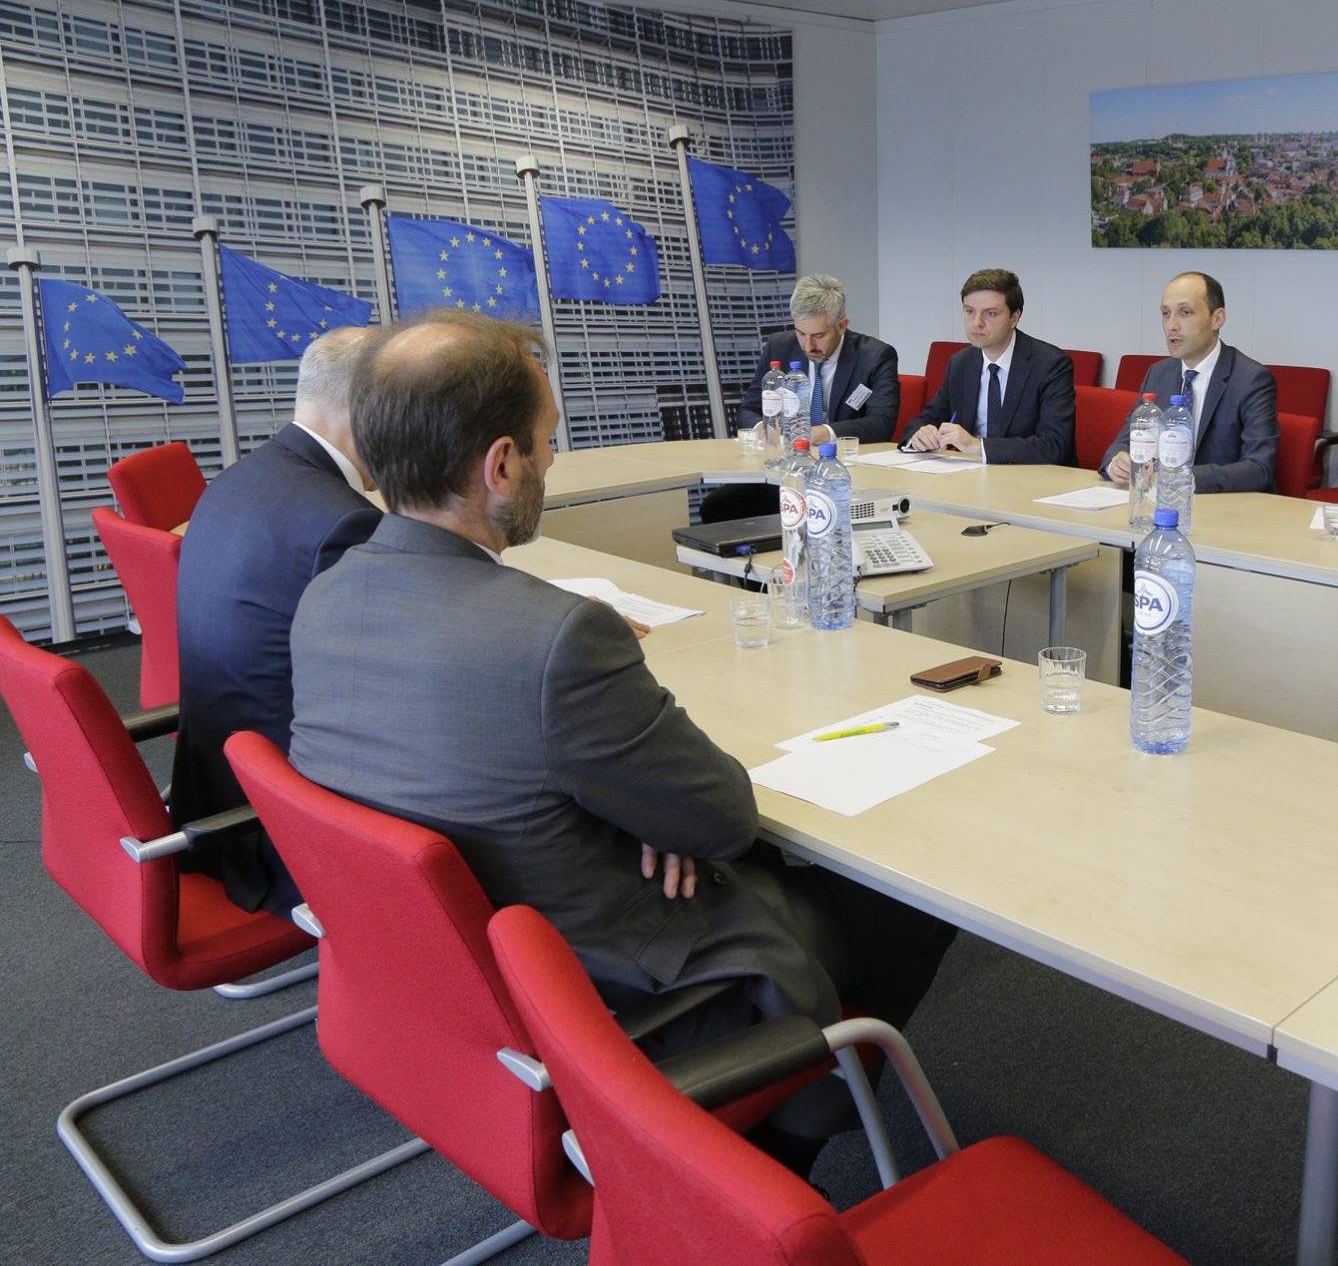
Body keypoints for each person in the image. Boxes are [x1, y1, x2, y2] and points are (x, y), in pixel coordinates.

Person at [288, 310, 954, 1163]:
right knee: (911, 893)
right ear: (501, 464)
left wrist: (633, 803)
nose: (553, 460)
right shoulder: (553, 638)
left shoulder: (326, 595)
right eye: (547, 441)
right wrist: (655, 812)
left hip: (456, 989)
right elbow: (722, 818)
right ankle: (777, 1149)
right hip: (617, 991)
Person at [168, 326, 382, 917]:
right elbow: (385, 697)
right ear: (369, 409)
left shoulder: (240, 478)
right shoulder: (343, 520)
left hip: (213, 795)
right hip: (280, 832)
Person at [706, 273, 900, 522]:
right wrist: (763, 428)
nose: (808, 346)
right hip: (786, 471)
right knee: (718, 505)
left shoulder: (875, 356)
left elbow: (881, 423)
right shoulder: (779, 346)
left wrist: (816, 434)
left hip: (842, 477)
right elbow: (748, 409)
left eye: (819, 336)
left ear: (842, 325)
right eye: (801, 333)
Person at [1100, 272, 1279, 493]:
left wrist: (1180, 478)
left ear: (1217, 319)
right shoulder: (1159, 373)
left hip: (1220, 503)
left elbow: (1259, 468)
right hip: (1157, 499)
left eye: (1185, 312)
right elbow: (1125, 441)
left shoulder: (1251, 379)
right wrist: (1116, 462)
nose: (1171, 325)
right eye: (1166, 313)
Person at [899, 268, 1075, 465]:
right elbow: (925, 419)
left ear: (1014, 318)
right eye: (969, 311)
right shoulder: (961, 363)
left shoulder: (1050, 364)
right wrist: (920, 435)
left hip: (1032, 477)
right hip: (971, 476)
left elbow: (1054, 445)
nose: (977, 322)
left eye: (990, 314)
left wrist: (978, 446)